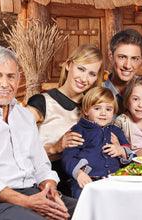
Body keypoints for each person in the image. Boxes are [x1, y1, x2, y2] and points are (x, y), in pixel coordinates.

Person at [0, 46, 76, 220]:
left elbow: (41, 165)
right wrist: (28, 202)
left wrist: (50, 190)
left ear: (18, 80)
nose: (5, 84)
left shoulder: (24, 115)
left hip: (30, 192)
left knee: (88, 209)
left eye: (11, 76)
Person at [27, 44, 103, 193]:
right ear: (68, 65)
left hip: (83, 182)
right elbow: (16, 149)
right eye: (81, 69)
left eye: (92, 74)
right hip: (46, 183)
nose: (84, 78)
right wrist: (55, 147)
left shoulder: (92, 108)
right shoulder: (41, 102)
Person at [61, 87, 133, 199]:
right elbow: (68, 157)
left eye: (108, 109)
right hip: (87, 180)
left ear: (113, 112)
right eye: (97, 108)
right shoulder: (79, 130)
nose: (103, 113)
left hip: (114, 181)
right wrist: (79, 173)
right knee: (84, 199)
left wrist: (121, 150)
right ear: (86, 110)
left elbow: (131, 155)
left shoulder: (116, 131)